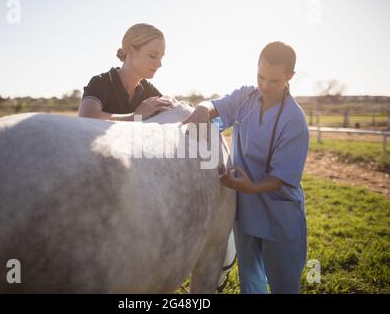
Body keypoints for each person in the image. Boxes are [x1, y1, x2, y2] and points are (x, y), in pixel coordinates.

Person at [181, 42, 309, 294]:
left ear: (289, 76)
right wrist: (201, 108)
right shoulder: (246, 97)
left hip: (279, 214)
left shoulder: (295, 121)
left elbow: (282, 177)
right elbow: (215, 105)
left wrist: (251, 187)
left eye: (273, 80)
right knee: (250, 284)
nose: (264, 86)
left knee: (284, 286)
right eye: (260, 76)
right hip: (246, 211)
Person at [78, 23, 173, 121]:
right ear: (131, 50)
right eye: (153, 56)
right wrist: (135, 117)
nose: (159, 64)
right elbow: (86, 116)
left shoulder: (147, 90)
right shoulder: (102, 82)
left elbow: (175, 111)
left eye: (161, 57)